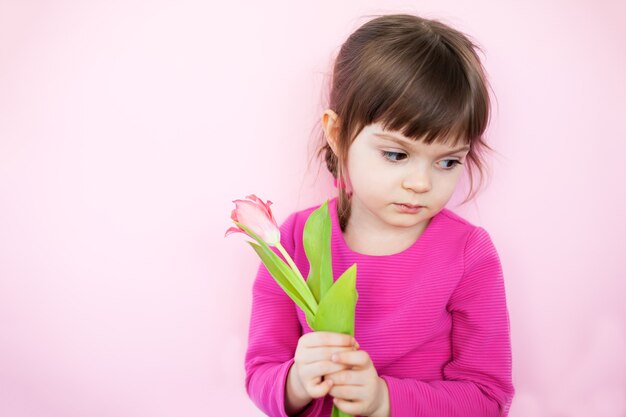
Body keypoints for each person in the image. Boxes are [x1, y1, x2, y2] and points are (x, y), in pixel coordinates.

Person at [244, 13, 515, 417]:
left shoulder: (468, 254)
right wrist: (296, 382)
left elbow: (488, 398)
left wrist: (385, 400)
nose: (422, 183)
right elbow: (260, 374)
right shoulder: (292, 241)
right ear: (337, 135)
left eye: (447, 162)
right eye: (396, 154)